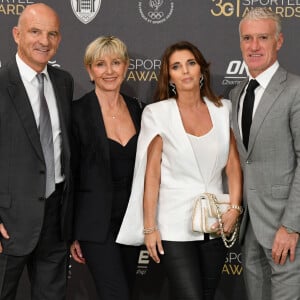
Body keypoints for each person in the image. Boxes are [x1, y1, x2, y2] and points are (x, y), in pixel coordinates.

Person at [117, 41, 242, 300]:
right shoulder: (157, 113)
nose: (185, 71)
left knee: (208, 295)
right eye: (176, 66)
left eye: (190, 63)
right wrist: (150, 228)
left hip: (216, 222)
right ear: (169, 76)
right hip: (174, 225)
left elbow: (232, 163)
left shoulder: (223, 110)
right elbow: (150, 175)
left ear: (201, 71)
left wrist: (235, 208)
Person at [0, 3, 74, 300]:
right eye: (35, 32)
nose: (44, 41)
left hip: (56, 222)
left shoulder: (63, 82)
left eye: (52, 34)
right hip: (8, 224)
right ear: (16, 34)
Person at [229, 7, 300, 300]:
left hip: (285, 229)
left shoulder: (295, 90)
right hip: (250, 232)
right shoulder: (237, 94)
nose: (254, 46)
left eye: (262, 37)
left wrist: (292, 225)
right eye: (247, 38)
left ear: (279, 41)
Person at [70, 36, 143, 300]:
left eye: (116, 63)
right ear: (90, 70)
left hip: (131, 221)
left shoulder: (137, 109)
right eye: (100, 64)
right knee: (116, 294)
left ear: (126, 67)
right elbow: (71, 175)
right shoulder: (77, 112)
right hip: (95, 224)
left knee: (127, 290)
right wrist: (72, 233)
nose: (109, 71)